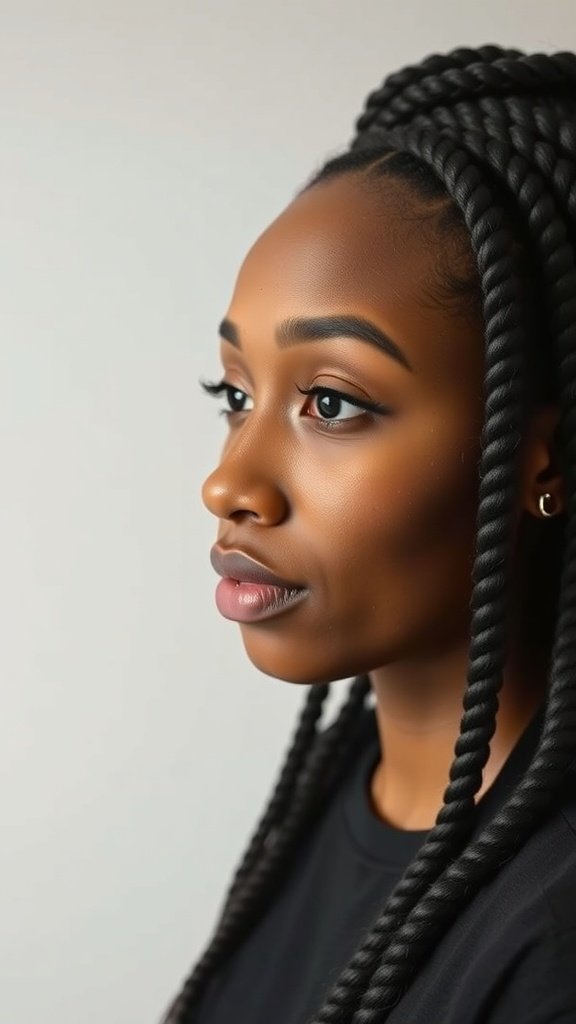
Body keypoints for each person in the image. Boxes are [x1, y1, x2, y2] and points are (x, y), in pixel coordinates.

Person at [161, 44, 576, 1023]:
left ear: (544, 463)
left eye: (334, 402)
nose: (230, 481)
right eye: (236, 392)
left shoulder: (552, 943)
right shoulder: (346, 786)